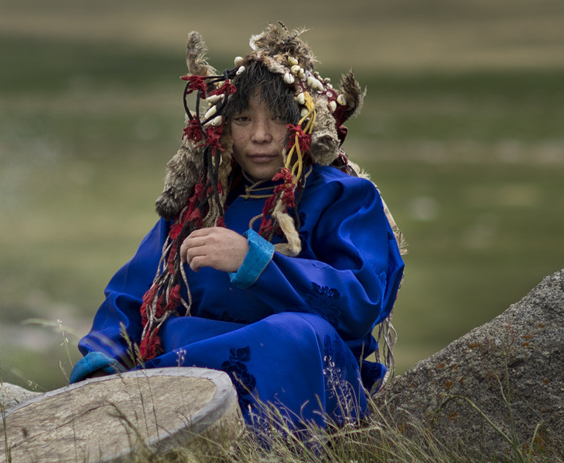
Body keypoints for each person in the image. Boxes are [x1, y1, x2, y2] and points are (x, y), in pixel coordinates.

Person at [70, 23, 405, 433]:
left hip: (308, 368)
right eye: (244, 119)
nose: (261, 136)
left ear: (304, 120)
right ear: (224, 128)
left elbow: (363, 299)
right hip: (191, 357)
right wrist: (101, 365)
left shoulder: (344, 196)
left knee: (296, 335)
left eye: (278, 119)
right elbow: (135, 292)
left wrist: (255, 261)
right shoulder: (203, 201)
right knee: (168, 336)